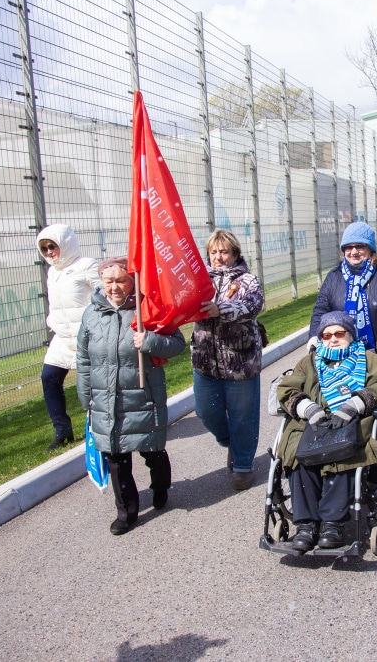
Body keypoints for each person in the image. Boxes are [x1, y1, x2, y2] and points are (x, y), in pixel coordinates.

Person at [76, 258, 186, 535]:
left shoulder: (147, 310)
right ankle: (127, 511)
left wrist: (150, 341)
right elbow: (83, 358)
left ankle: (160, 487)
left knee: (152, 452)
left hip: (141, 397)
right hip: (105, 401)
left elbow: (177, 343)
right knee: (116, 458)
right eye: (109, 281)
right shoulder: (91, 314)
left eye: (121, 280)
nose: (114, 287)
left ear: (133, 282)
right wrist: (86, 395)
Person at [276, 311, 377, 551]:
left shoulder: (370, 360)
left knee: (344, 453)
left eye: (339, 333)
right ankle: (306, 526)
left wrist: (355, 404)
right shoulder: (308, 363)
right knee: (299, 455)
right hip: (312, 422)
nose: (333, 338)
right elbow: (286, 389)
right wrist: (307, 407)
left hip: (352, 420)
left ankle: (332, 524)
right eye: (326, 335)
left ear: (350, 335)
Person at [191, 229, 265, 491]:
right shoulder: (197, 279)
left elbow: (252, 306)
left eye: (224, 252)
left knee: (243, 417)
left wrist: (220, 309)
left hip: (240, 361)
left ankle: (243, 465)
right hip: (204, 361)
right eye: (213, 252)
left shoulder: (249, 280)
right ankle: (230, 441)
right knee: (205, 412)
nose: (218, 257)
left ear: (235, 254)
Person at [312, 222, 377, 388]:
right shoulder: (334, 277)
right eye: (348, 247)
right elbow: (320, 311)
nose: (353, 252)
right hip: (340, 357)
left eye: (360, 246)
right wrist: (314, 337)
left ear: (370, 249)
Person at [36, 224, 100, 451]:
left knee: (93, 388)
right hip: (62, 339)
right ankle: (62, 430)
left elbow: (106, 294)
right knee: (49, 378)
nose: (50, 252)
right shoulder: (52, 272)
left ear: (65, 243)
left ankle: (101, 428)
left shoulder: (86, 266)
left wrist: (95, 323)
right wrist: (52, 321)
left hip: (88, 339)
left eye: (52, 246)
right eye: (44, 249)